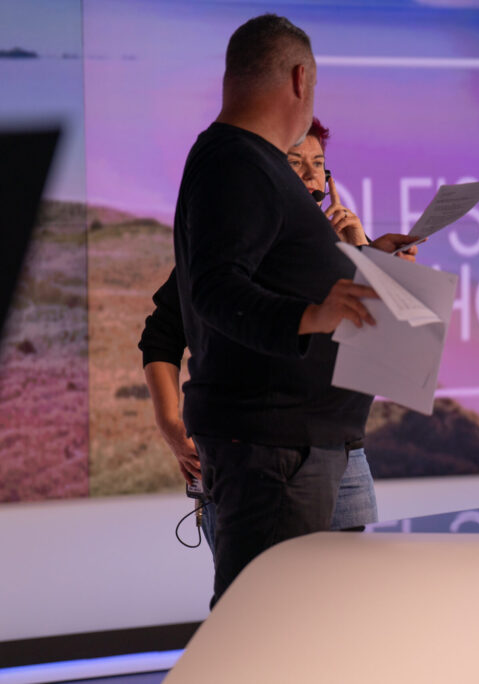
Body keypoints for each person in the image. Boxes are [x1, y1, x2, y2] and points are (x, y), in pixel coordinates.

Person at [169, 14, 418, 606]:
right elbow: (215, 287)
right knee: (271, 625)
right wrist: (309, 316)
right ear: (300, 79)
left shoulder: (244, 161)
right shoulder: (237, 162)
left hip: (294, 450)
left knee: (301, 624)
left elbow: (272, 271)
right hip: (274, 453)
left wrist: (367, 261)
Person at [140, 117, 385, 536]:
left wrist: (363, 254)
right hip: (257, 453)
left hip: (344, 450)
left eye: (318, 165)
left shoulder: (343, 249)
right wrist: (169, 423)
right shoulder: (233, 246)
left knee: (352, 578)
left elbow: (376, 352)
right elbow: (162, 335)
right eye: (295, 163)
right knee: (267, 575)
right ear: (269, 176)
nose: (310, 177)